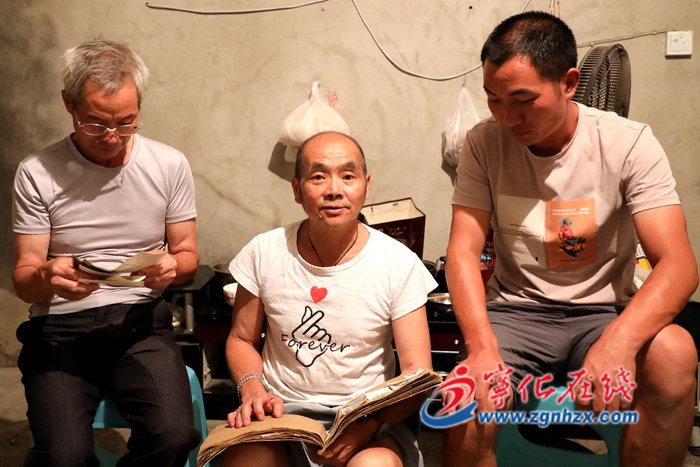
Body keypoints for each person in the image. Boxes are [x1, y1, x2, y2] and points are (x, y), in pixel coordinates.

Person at [443, 11, 698, 467]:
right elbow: (462, 251)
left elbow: (678, 264)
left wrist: (619, 342)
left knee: (676, 352)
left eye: (523, 100)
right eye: (494, 100)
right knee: (467, 392)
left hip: (603, 313)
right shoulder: (484, 143)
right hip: (515, 314)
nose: (507, 117)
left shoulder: (628, 143)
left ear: (569, 83)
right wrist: (480, 347)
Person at [12, 40, 201, 466]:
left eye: (126, 122)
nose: (112, 137)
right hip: (59, 331)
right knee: (64, 455)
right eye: (95, 123)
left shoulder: (169, 165)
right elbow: (24, 279)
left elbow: (187, 255)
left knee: (173, 435)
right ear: (68, 104)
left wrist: (172, 266)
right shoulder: (37, 172)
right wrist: (47, 277)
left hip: (139, 324)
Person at [220, 131, 437, 467]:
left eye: (348, 176)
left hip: (367, 416)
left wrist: (368, 426)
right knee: (247, 461)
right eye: (318, 176)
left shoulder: (398, 262)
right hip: (280, 414)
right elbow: (241, 339)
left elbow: (418, 373)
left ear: (366, 186)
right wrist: (253, 390)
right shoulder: (264, 252)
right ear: (297, 189)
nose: (334, 190)